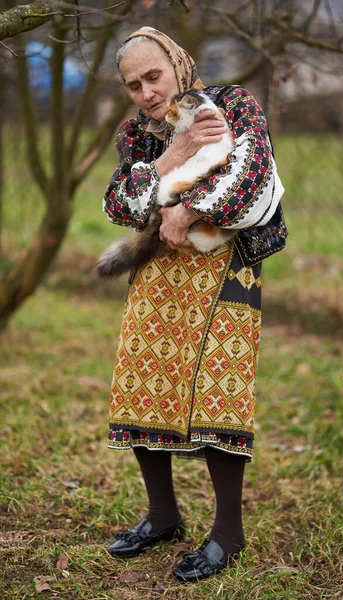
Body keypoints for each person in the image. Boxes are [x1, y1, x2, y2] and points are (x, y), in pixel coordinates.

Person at [103, 26, 287, 582]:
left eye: (153, 76)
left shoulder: (231, 104)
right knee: (143, 380)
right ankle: (163, 516)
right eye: (134, 85)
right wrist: (174, 154)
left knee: (217, 391)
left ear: (179, 65)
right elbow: (119, 202)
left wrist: (187, 210)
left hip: (224, 265)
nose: (146, 92)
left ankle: (228, 533)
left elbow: (252, 174)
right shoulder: (139, 133)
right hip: (158, 269)